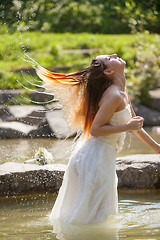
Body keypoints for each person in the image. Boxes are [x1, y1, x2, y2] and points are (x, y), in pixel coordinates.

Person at [36, 54, 160, 225]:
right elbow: (96, 130)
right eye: (109, 57)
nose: (115, 55)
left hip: (99, 157)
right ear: (108, 71)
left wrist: (157, 148)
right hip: (94, 160)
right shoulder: (114, 95)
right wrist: (127, 127)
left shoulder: (122, 90)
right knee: (91, 220)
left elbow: (134, 125)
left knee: (95, 218)